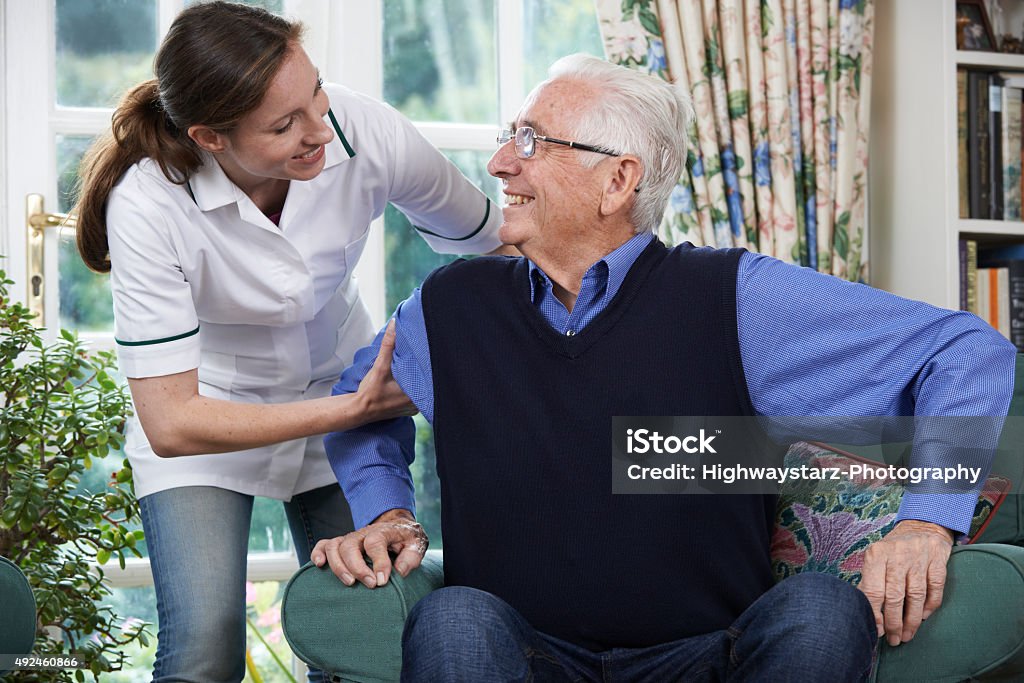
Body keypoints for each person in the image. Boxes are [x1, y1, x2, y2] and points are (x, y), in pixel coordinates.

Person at [313, 54, 1016, 682]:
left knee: (824, 610)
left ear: (617, 181)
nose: (499, 162)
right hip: (525, 652)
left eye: (531, 141)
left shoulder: (739, 297)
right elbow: (358, 400)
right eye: (508, 136)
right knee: (454, 617)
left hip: (713, 654)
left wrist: (928, 520)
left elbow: (966, 351)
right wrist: (386, 509)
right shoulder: (451, 304)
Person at [72, 2, 504, 681]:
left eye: (317, 94)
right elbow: (172, 421)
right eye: (284, 125)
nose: (320, 130)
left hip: (339, 386)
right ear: (211, 137)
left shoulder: (361, 129)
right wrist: (354, 408)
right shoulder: (148, 202)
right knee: (202, 649)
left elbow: (494, 246)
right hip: (210, 414)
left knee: (360, 634)